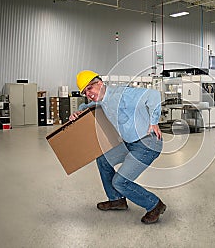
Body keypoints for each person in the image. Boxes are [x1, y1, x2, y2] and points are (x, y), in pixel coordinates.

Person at [69, 70, 166, 224]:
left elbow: (153, 95)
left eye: (90, 89)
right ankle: (117, 200)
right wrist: (79, 111)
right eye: (85, 92)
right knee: (103, 159)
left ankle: (154, 205)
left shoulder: (122, 94)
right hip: (129, 143)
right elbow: (88, 104)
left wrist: (154, 121)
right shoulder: (102, 99)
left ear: (99, 84)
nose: (88, 94)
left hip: (148, 144)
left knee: (120, 182)